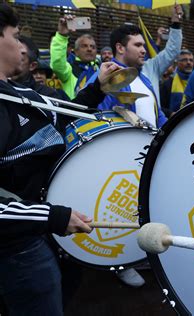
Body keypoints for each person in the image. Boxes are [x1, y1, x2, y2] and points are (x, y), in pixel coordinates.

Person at [0, 4, 119, 314]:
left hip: (39, 233)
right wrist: (49, 216)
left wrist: (97, 88)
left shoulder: (17, 91)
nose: (22, 47)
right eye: (15, 36)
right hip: (17, 248)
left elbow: (62, 116)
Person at [92, 5, 183, 128]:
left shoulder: (145, 79)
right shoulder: (104, 77)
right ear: (120, 48)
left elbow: (158, 116)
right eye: (138, 45)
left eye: (143, 45)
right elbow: (96, 120)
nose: (143, 50)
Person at [50, 15, 99, 99]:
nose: (89, 49)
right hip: (73, 111)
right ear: (76, 51)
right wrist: (61, 36)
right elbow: (57, 63)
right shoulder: (69, 69)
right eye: (84, 46)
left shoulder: (101, 70)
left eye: (92, 47)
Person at [160, 49, 194, 116]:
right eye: (184, 60)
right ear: (178, 63)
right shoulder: (168, 84)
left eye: (191, 60)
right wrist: (171, 114)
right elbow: (159, 107)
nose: (188, 62)